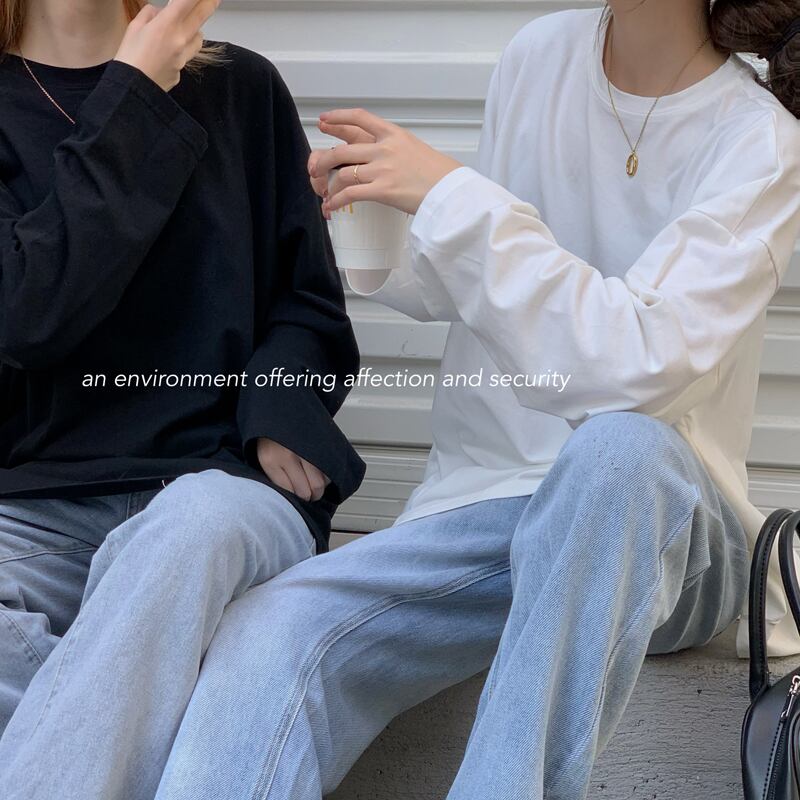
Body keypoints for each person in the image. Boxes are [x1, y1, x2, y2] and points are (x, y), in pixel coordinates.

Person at [5, 0, 800, 798]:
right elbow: (494, 288)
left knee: (618, 449)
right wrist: (394, 212)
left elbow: (639, 366)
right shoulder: (543, 54)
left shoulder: (761, 142)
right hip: (491, 511)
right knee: (268, 630)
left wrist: (449, 196)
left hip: (666, 531)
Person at [0, 0, 363, 797]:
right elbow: (24, 315)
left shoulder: (240, 87)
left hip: (219, 487)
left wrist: (280, 406)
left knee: (192, 525)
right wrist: (131, 97)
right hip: (38, 505)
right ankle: (190, 713)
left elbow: (305, 304)